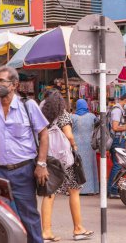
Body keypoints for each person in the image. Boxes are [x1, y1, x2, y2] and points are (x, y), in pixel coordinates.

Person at [0, 66, 49, 243]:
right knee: (2, 218)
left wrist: (41, 164)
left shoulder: (28, 106)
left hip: (23, 171)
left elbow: (44, 134)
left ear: (14, 85)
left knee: (29, 217)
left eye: (1, 81)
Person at [40, 90, 94, 241]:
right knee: (74, 190)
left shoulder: (41, 113)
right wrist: (74, 146)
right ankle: (78, 228)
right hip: (65, 160)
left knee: (50, 193)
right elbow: (69, 135)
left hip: (48, 157)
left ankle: (46, 231)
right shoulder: (62, 113)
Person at [108, 92, 126, 199]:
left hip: (118, 139)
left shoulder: (118, 110)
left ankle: (112, 189)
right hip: (117, 140)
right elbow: (115, 127)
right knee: (117, 165)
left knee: (117, 165)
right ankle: (112, 190)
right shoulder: (117, 110)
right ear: (125, 100)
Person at [71, 99, 99, 195]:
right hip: (89, 144)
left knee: (77, 166)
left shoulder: (72, 117)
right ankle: (91, 189)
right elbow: (97, 128)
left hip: (76, 144)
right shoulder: (92, 116)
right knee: (90, 166)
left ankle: (77, 189)